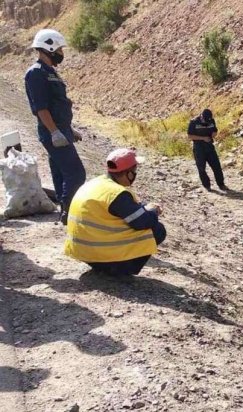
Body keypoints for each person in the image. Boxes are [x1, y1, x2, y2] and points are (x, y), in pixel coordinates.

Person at [64, 148, 166, 276]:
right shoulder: (117, 194)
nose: (135, 175)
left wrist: (143, 208)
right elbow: (142, 222)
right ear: (128, 173)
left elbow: (124, 210)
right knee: (158, 229)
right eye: (134, 171)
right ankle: (120, 270)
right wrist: (153, 211)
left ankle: (104, 266)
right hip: (98, 252)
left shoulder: (97, 183)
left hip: (82, 251)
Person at [24, 29, 86, 225]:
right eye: (59, 49)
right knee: (76, 173)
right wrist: (54, 132)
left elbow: (57, 104)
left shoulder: (50, 72)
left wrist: (68, 129)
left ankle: (64, 212)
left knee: (61, 172)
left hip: (61, 129)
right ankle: (69, 210)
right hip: (53, 132)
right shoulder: (36, 73)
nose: (61, 53)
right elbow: (40, 108)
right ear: (48, 47)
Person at [187, 109, 229, 192]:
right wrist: (203, 138)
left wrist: (214, 134)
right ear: (201, 116)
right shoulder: (194, 122)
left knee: (217, 166)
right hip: (199, 148)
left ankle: (221, 184)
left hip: (209, 146)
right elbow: (190, 136)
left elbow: (215, 130)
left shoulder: (211, 120)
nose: (207, 121)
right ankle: (207, 185)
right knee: (201, 168)